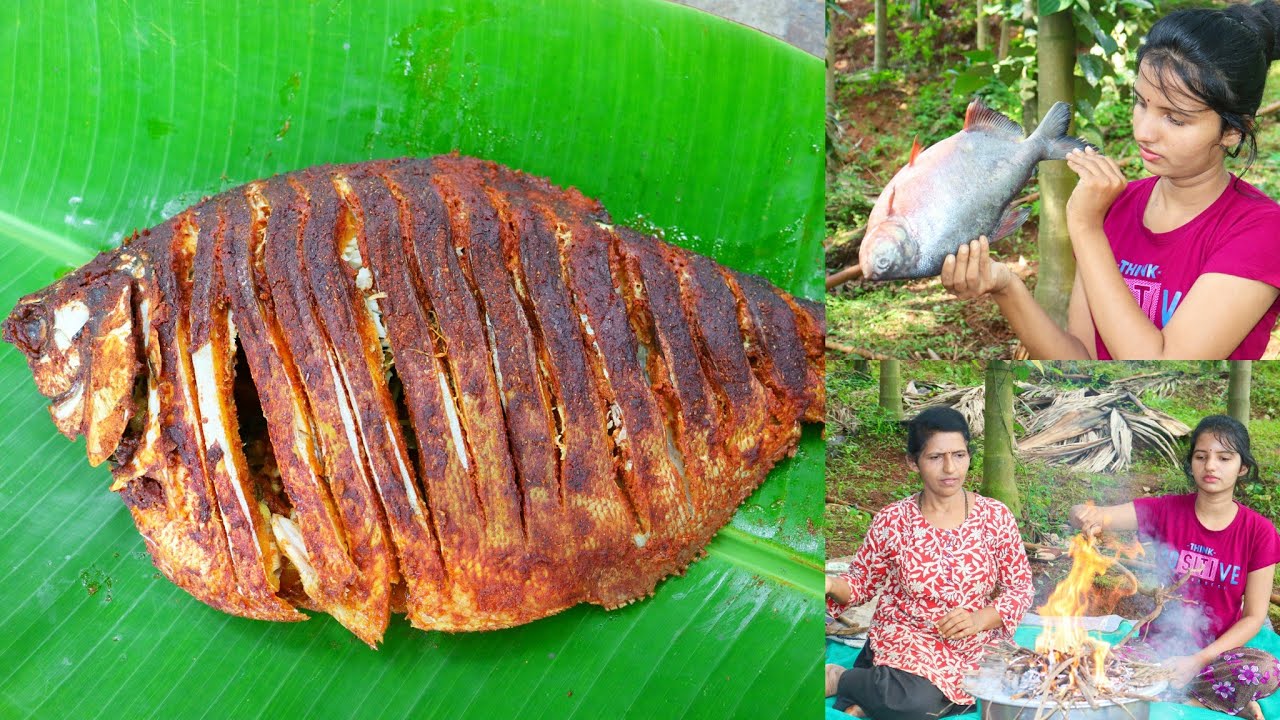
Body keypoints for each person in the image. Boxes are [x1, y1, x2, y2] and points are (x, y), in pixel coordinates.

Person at [942, 3, 1280, 360]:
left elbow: (1164, 368)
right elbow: (1082, 359)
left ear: (1232, 130)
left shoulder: (1261, 231)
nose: (1145, 131)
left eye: (1175, 119)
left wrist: (1087, 228)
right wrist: (1005, 286)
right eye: (1141, 103)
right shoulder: (1116, 206)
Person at [824, 406, 1034, 719]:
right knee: (912, 703)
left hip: (974, 643)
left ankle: (873, 697)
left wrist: (979, 619)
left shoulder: (994, 517)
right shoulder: (893, 521)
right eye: (936, 457)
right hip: (909, 641)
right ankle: (843, 679)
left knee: (1012, 689)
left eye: (959, 455)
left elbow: (1020, 588)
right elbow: (860, 585)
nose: (950, 468)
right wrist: (829, 584)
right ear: (914, 462)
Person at [1070, 415, 1280, 720]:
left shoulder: (1258, 532)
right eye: (1201, 456)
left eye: (1224, 458)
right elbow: (1089, 513)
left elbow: (1254, 616)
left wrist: (1198, 660)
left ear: (1242, 467)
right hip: (1158, 648)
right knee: (1101, 670)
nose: (1210, 466)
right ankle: (1208, 702)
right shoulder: (1165, 510)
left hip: (1217, 654)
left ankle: (1178, 698)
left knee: (1266, 670)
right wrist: (1085, 518)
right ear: (1191, 462)